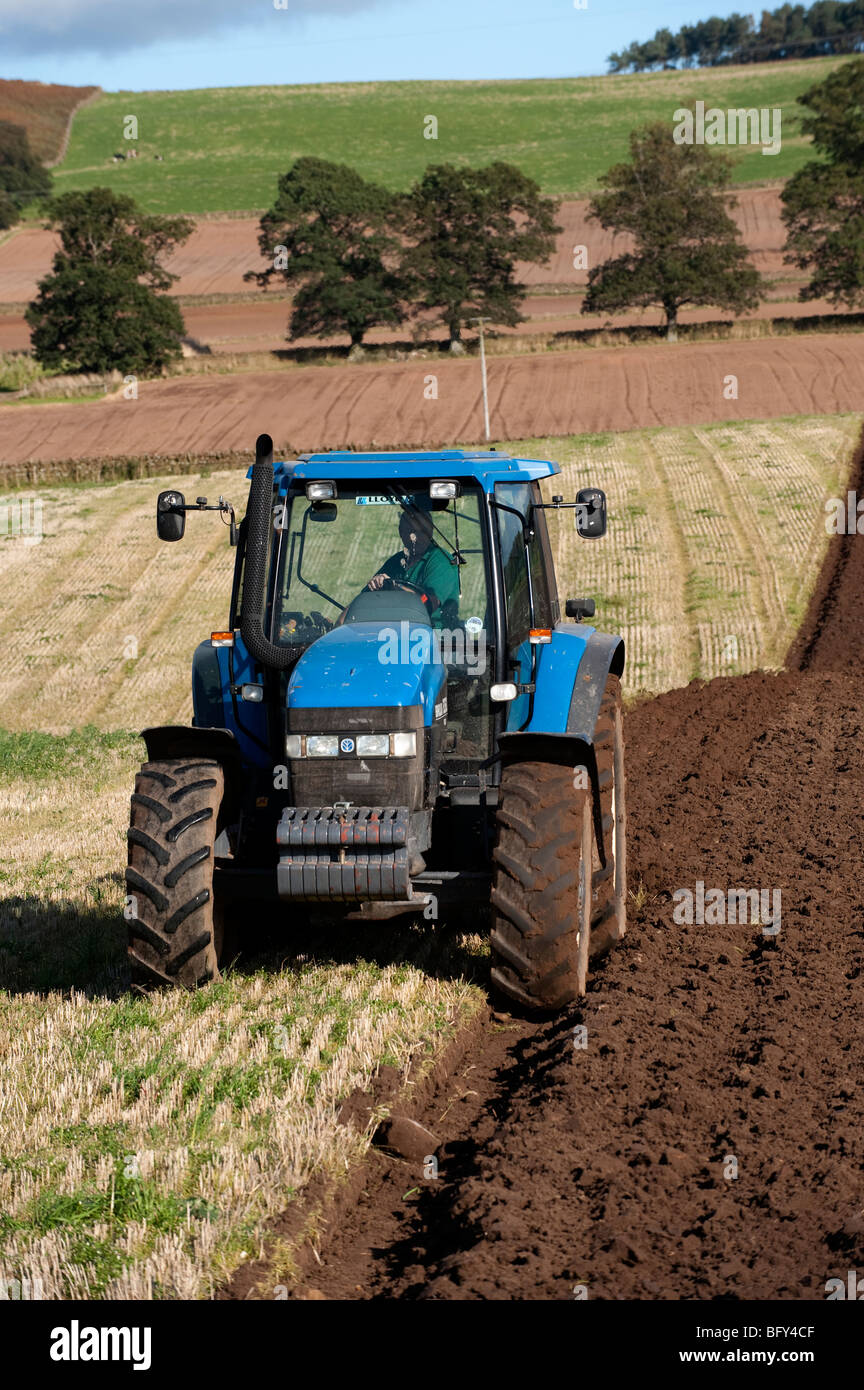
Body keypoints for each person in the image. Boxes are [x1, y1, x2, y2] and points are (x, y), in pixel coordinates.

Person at [367, 506, 458, 628]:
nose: (413, 537)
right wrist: (339, 626)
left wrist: (395, 587)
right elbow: (362, 601)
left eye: (419, 531)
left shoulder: (441, 560)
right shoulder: (395, 562)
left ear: (430, 531)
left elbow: (428, 604)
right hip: (397, 635)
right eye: (409, 531)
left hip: (437, 638)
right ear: (400, 532)